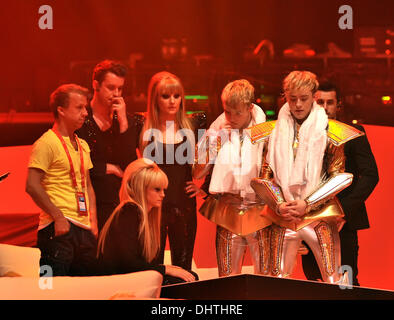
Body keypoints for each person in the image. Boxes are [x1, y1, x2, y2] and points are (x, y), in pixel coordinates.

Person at [250, 71, 364, 283]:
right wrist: (279, 204)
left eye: (304, 99)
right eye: (293, 99)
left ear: (313, 96)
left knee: (335, 282)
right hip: (283, 217)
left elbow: (340, 177)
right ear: (285, 97)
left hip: (319, 218)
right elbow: (263, 175)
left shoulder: (330, 131)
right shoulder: (274, 132)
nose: (298, 105)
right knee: (276, 284)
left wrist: (307, 203)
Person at [301, 79, 379, 286]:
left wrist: (343, 211)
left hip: (344, 220)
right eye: (320, 102)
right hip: (310, 220)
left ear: (338, 104)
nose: (325, 108)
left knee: (347, 283)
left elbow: (371, 175)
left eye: (330, 102)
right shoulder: (301, 134)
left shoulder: (353, 133)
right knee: (313, 282)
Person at [194, 79, 271, 277]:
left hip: (260, 212)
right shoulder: (218, 129)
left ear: (250, 107)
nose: (232, 117)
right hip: (228, 212)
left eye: (238, 112)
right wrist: (216, 142)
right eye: (228, 112)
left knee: (265, 279)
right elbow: (197, 172)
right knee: (227, 278)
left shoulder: (267, 133)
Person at [26, 84, 98, 276]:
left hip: (84, 228)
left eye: (86, 108)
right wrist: (58, 217)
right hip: (57, 228)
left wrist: (94, 221)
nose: (85, 113)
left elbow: (88, 185)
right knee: (49, 287)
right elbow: (32, 185)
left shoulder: (83, 144)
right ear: (61, 110)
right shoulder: (47, 142)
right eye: (79, 107)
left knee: (84, 291)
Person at [137, 71, 206, 271]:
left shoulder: (193, 124)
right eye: (165, 96)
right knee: (152, 267)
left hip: (183, 205)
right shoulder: (141, 126)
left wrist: (204, 187)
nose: (172, 101)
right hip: (153, 208)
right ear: (155, 98)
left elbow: (218, 145)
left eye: (177, 96)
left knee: (183, 266)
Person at [97, 158, 197, 285]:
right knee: (185, 280)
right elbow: (129, 265)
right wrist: (166, 269)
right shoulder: (128, 212)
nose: (163, 195)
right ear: (141, 188)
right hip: (118, 282)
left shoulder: (144, 216)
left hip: (129, 279)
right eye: (157, 189)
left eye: (163, 190)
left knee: (188, 277)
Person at [77, 60, 138, 232]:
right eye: (111, 88)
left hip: (120, 203)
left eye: (120, 89)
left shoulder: (125, 120)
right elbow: (76, 164)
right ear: (95, 85)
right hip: (89, 204)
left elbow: (130, 165)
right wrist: (107, 167)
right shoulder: (82, 119)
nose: (116, 94)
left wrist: (124, 122)